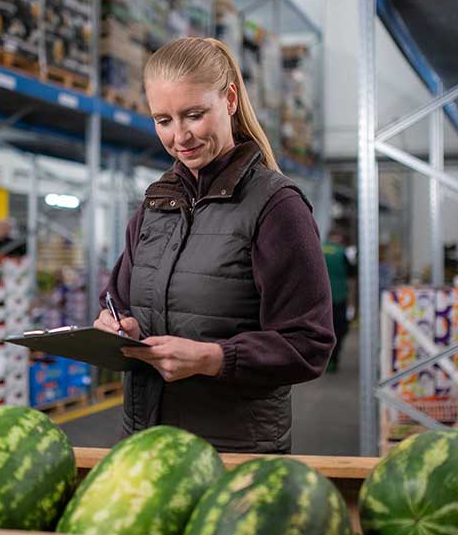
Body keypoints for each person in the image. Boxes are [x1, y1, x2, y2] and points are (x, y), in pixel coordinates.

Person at [94, 37, 335, 454]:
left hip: (231, 453)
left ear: (229, 100)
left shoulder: (276, 207)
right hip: (143, 447)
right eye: (163, 120)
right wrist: (116, 325)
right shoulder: (156, 203)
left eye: (193, 115)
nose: (179, 136)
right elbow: (118, 299)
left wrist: (213, 357)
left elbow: (309, 343)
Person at [323, 230, 349, 373]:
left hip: (320, 298)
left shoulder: (319, 247)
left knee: (322, 328)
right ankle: (333, 360)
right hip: (338, 296)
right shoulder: (341, 252)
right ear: (338, 237)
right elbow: (351, 274)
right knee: (338, 329)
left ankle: (322, 360)